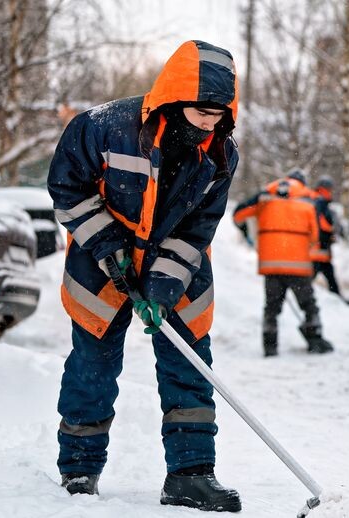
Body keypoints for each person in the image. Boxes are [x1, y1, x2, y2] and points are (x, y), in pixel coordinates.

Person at [48, 40, 242, 512]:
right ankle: (79, 470)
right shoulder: (103, 126)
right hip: (100, 267)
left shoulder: (221, 155)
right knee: (93, 368)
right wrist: (111, 250)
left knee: (189, 366)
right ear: (174, 98)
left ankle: (191, 475)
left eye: (219, 115)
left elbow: (198, 228)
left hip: (178, 272)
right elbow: (66, 189)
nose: (209, 124)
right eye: (201, 112)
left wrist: (162, 284)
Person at [233, 169, 335, 357]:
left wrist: (246, 232)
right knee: (309, 305)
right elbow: (316, 234)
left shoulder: (265, 197)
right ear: (302, 182)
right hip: (299, 266)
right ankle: (315, 340)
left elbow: (238, 215)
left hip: (271, 266)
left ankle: (270, 347)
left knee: (271, 309)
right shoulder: (308, 200)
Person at [310, 175, 349, 304]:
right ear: (324, 189)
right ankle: (336, 298)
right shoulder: (319, 202)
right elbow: (323, 224)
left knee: (328, 276)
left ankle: (337, 299)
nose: (331, 192)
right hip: (317, 250)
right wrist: (335, 227)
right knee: (308, 280)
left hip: (322, 250)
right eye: (330, 189)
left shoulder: (319, 203)